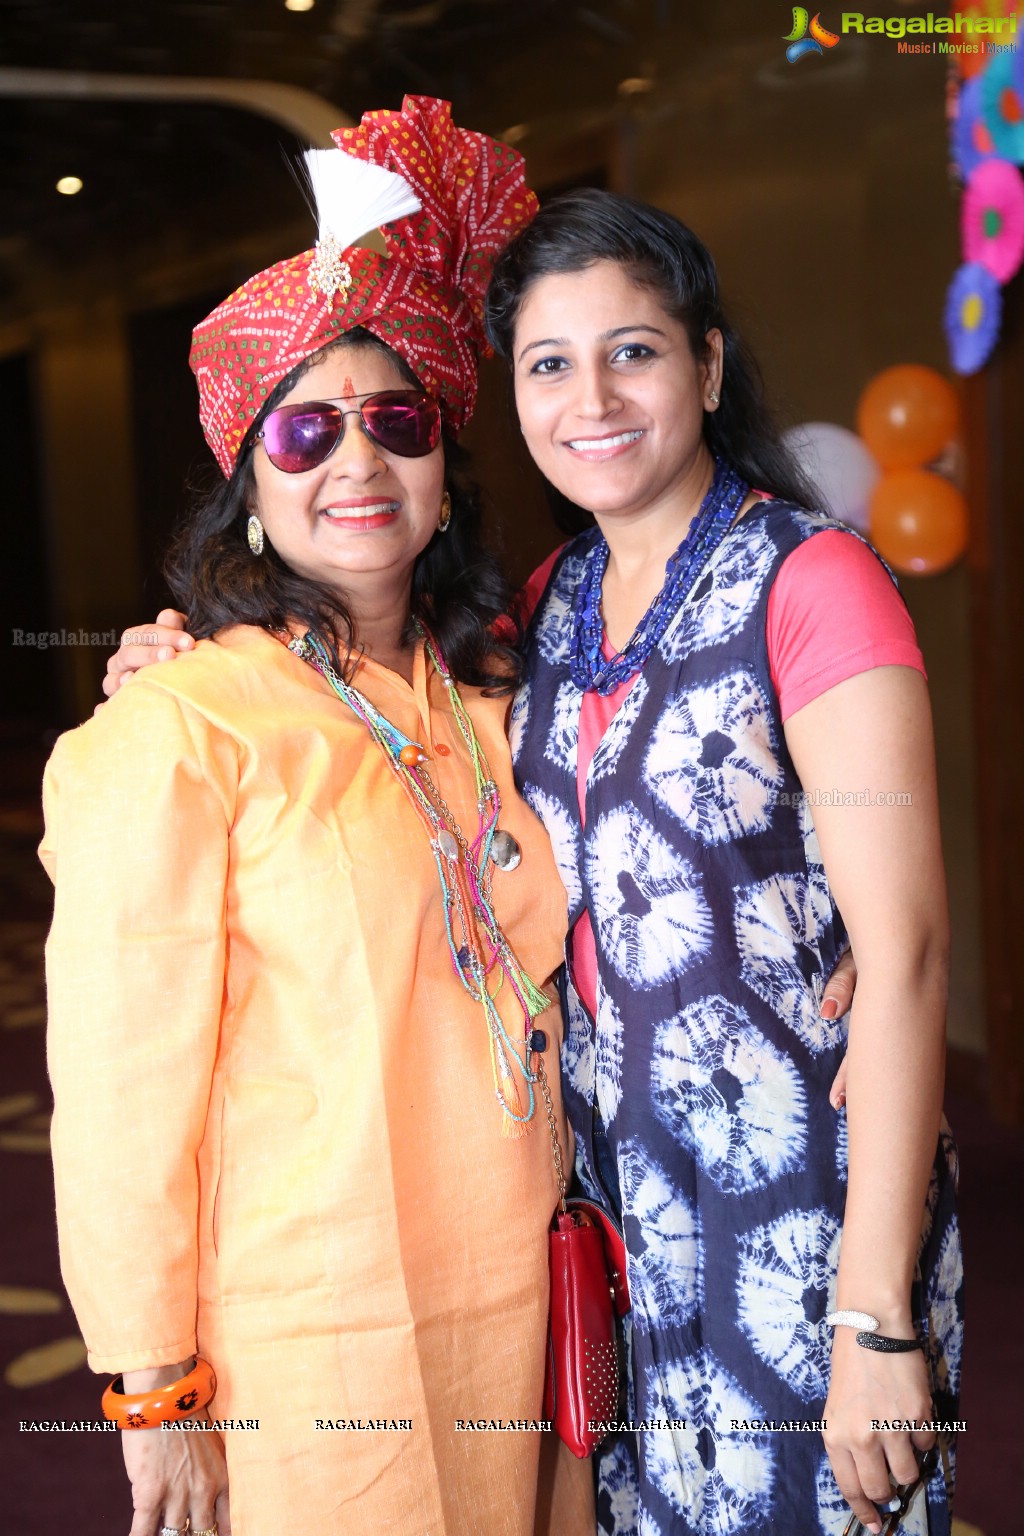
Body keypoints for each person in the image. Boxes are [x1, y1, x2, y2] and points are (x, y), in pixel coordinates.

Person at [40, 97, 595, 1536]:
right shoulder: (178, 730)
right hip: (312, 1330)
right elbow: (117, 1093)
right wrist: (153, 1385)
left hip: (519, 1300)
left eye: (396, 422)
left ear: (442, 469)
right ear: (250, 482)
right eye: (306, 430)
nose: (357, 462)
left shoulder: (490, 701)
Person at [483, 190, 963, 1536]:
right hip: (623, 1212)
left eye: (633, 349)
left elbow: (910, 953)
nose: (595, 397)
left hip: (801, 1207)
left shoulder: (812, 580)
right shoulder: (546, 604)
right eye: (549, 363)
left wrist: (873, 1317)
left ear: (704, 364)